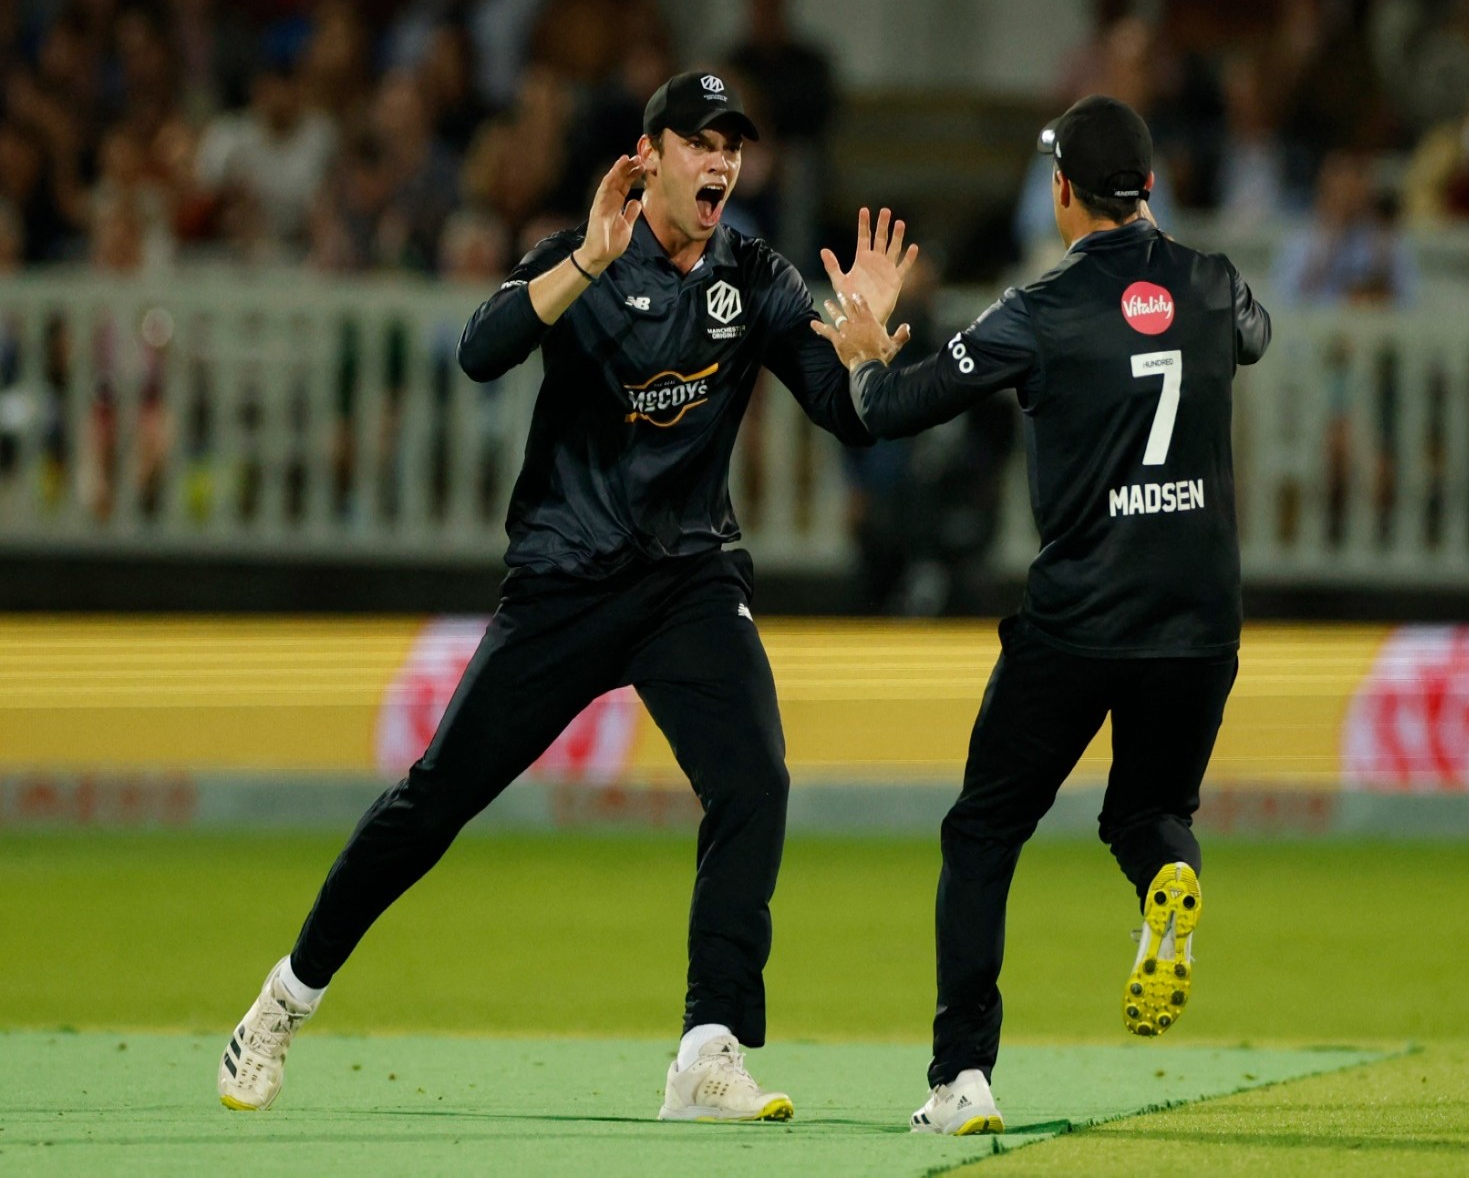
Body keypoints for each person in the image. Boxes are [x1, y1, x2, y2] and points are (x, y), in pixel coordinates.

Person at [217, 71, 916, 1121]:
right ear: (650, 156)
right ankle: (283, 1001)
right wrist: (586, 257)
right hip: (566, 580)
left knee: (754, 781)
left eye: (732, 146)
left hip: (687, 579)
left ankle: (708, 1052)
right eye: (700, 142)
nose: (721, 162)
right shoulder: (585, 254)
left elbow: (846, 415)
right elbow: (478, 352)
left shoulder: (753, 273)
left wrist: (864, 358)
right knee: (434, 801)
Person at [814, 95, 1271, 1135]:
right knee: (1147, 815)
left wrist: (865, 346)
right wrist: (1172, 278)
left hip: (1080, 620)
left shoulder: (1039, 309)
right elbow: (1254, 332)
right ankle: (1168, 879)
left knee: (982, 832)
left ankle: (962, 1079)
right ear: (1147, 187)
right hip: (1202, 619)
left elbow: (891, 411)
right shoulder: (1211, 281)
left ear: (1061, 189)